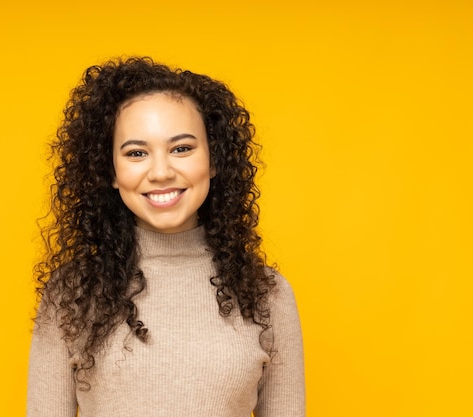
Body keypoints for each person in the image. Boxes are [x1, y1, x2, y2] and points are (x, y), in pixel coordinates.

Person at [27, 57, 305, 417]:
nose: (161, 172)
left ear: (214, 159)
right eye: (137, 153)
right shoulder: (72, 293)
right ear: (110, 171)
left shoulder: (268, 294)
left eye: (182, 148)